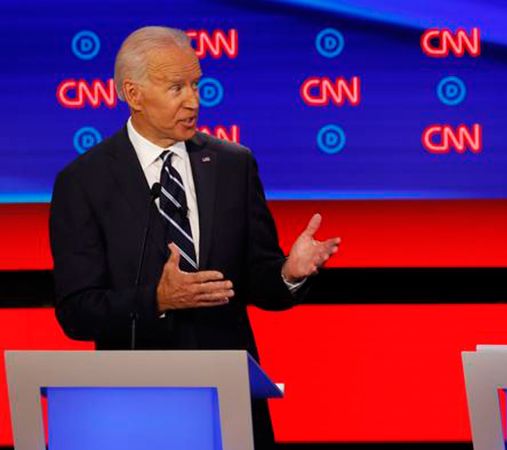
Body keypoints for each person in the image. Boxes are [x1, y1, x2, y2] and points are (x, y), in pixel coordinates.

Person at [49, 26, 340, 448]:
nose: (193, 101)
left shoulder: (233, 165)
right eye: (176, 88)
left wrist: (288, 274)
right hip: (135, 406)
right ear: (133, 94)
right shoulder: (84, 181)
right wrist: (157, 299)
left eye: (196, 85)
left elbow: (258, 281)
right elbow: (76, 312)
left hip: (228, 403)